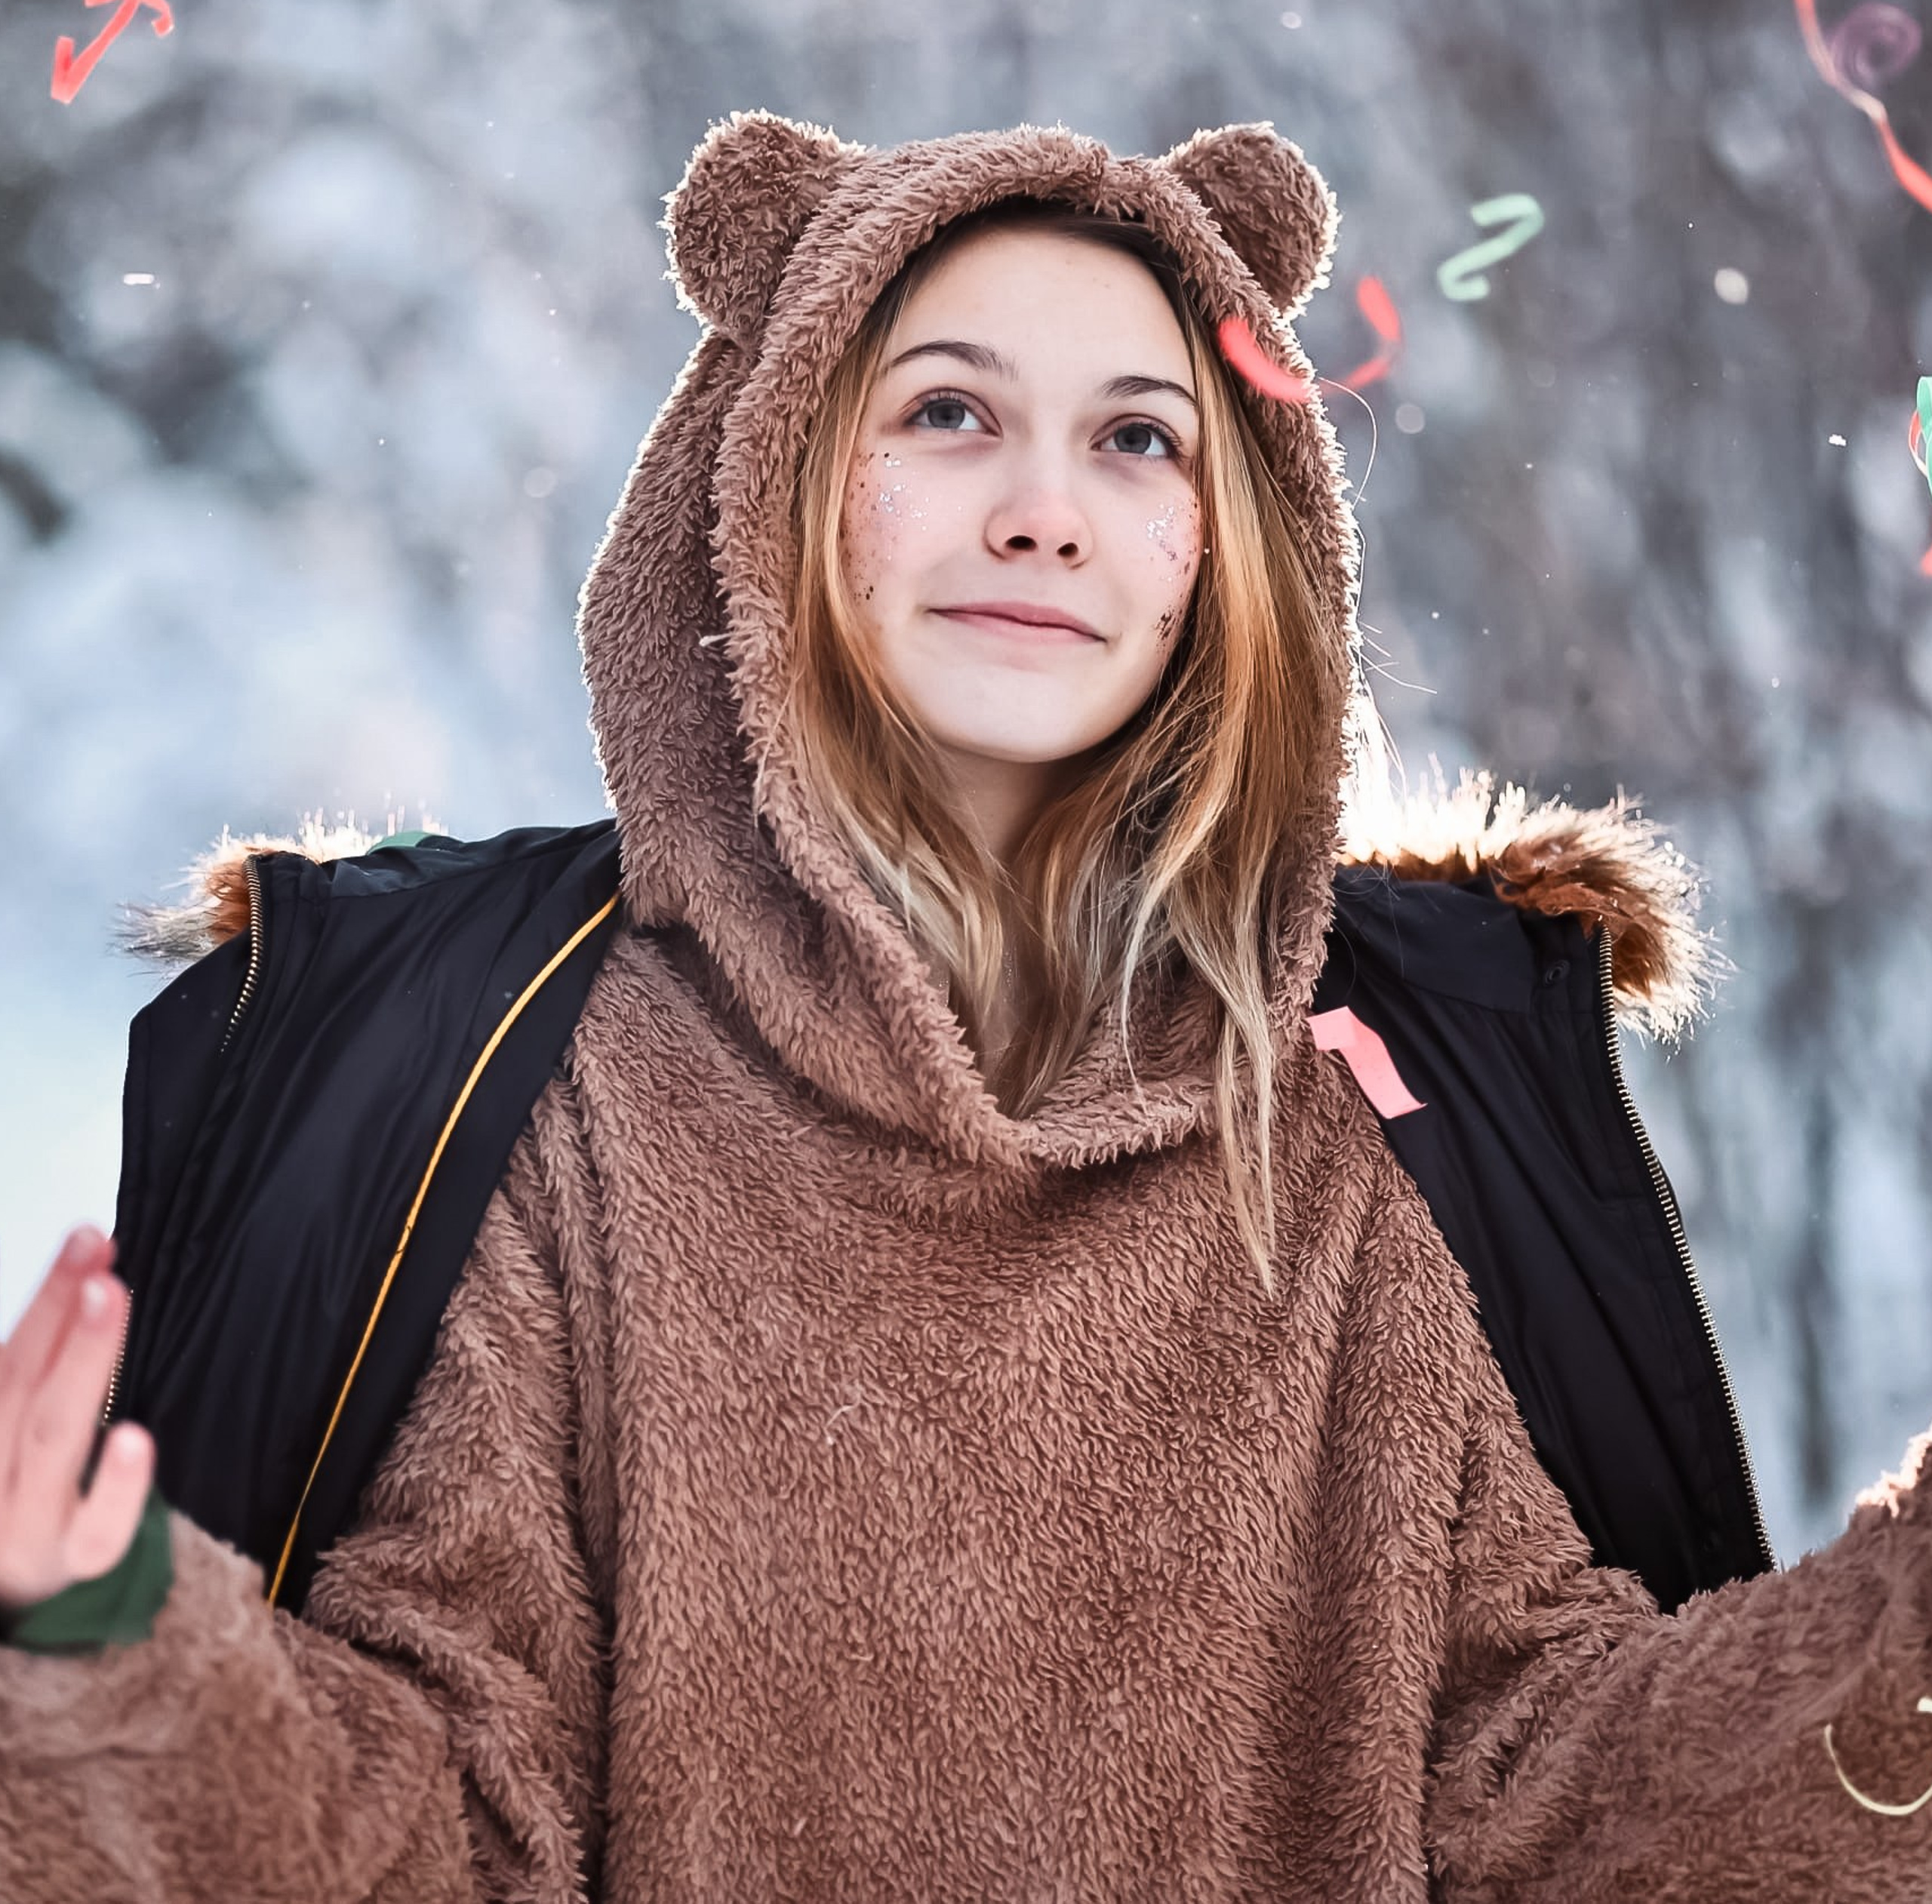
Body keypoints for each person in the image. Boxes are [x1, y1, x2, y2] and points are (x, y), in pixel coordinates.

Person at [2, 110, 1929, 1901]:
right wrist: (109, 1642)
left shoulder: (1357, 1111)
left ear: (1228, 545)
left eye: (1135, 437)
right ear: (777, 478)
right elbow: (450, 1825)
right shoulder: (552, 1089)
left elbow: (1553, 1793)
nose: (1040, 510)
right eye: (944, 412)